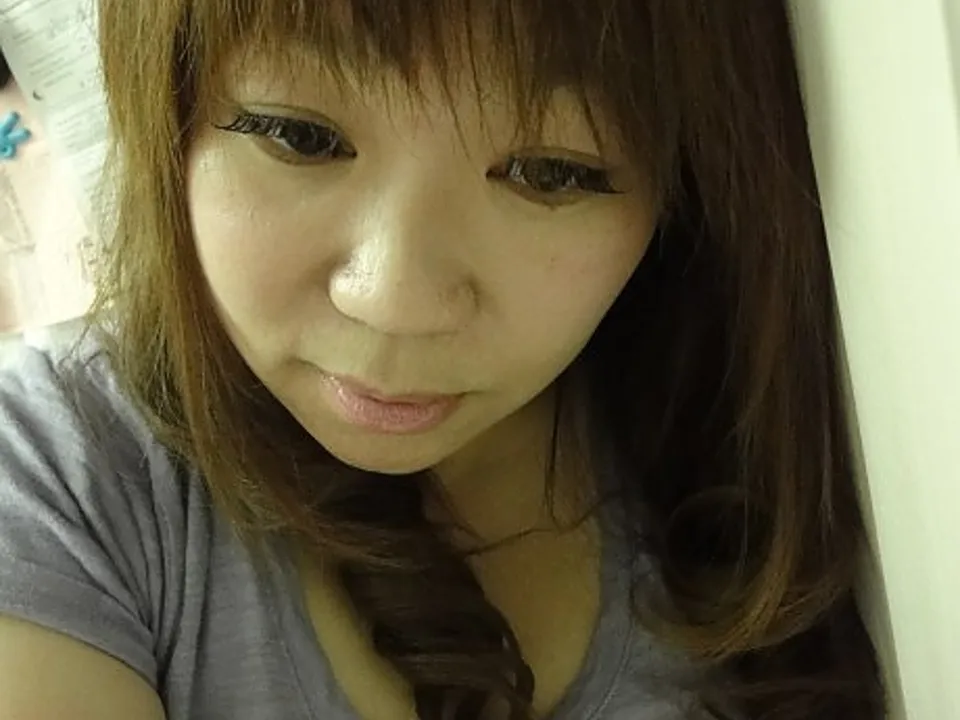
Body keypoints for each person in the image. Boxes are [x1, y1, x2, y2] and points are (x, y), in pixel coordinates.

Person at [0, 1, 888, 718]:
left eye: (551, 173)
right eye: (301, 137)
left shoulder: (789, 464)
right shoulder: (54, 475)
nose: (395, 300)